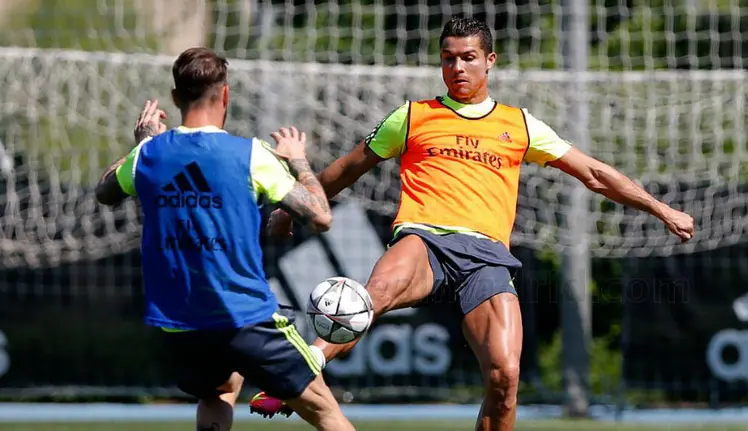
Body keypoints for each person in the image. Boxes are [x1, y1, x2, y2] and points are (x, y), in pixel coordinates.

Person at [251, 15, 695, 430]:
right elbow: (347, 169)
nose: (457, 67)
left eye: (467, 58)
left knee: (505, 376)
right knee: (372, 295)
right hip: (425, 239)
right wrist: (293, 207)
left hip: (486, 258)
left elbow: (595, 174)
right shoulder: (412, 116)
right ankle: (295, 373)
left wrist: (663, 209)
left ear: (489, 61)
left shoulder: (519, 124)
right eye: (448, 58)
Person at [94, 47, 356, 431]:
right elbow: (321, 215)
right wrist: (296, 158)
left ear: (174, 97)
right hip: (244, 317)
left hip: (180, 323)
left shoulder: (149, 156)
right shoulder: (250, 155)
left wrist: (140, 144)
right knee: (326, 412)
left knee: (219, 392)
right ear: (226, 95)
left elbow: (104, 191)